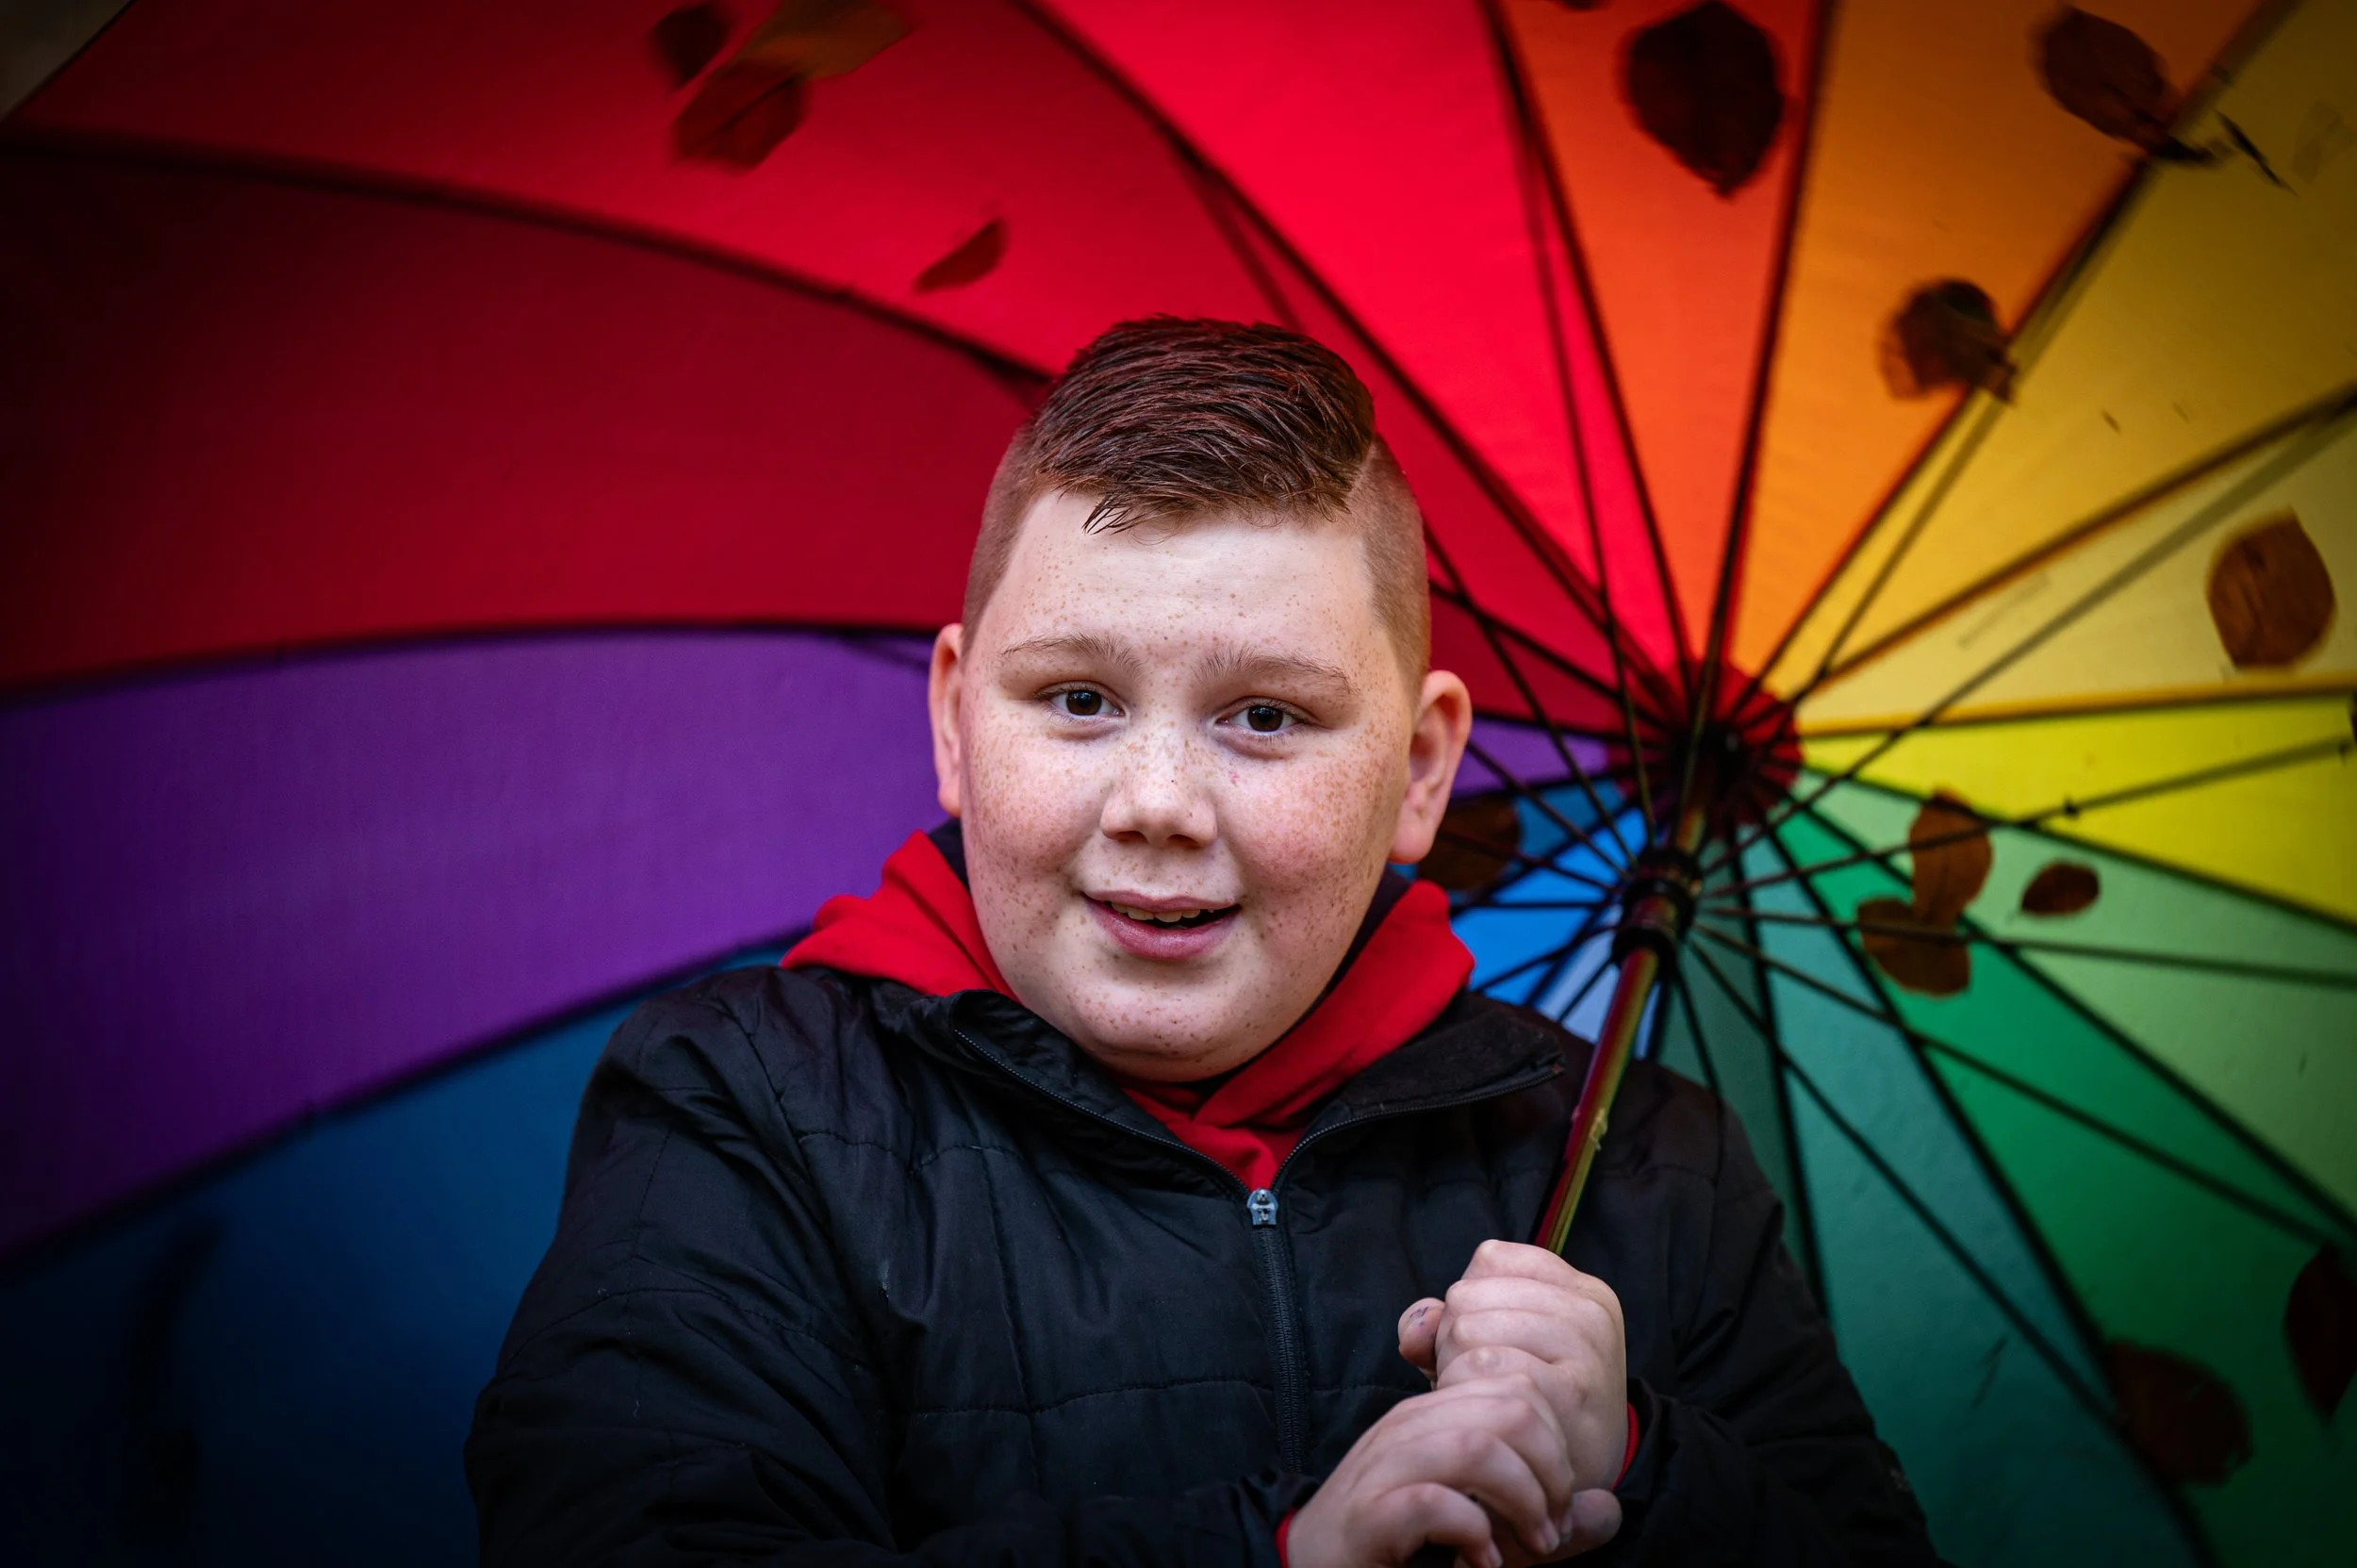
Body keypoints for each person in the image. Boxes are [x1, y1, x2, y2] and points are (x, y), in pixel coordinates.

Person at [466, 319, 1943, 1566]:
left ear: (1422, 769)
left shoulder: (1637, 1163)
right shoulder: (750, 1109)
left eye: (1267, 717)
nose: (1159, 805)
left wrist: (1634, 1464)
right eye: (1080, 701)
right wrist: (1287, 1551)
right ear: (952, 721)